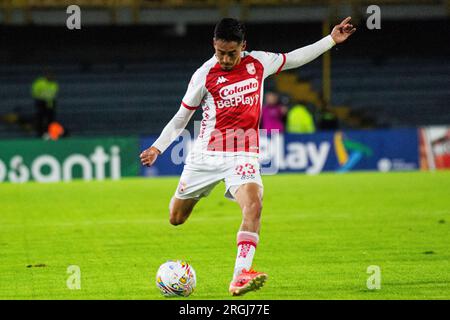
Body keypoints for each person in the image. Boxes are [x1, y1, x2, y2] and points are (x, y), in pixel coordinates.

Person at [140, 17, 355, 296]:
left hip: (243, 152)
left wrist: (330, 40)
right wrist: (158, 147)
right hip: (206, 154)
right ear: (214, 46)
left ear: (244, 46)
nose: (226, 59)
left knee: (253, 206)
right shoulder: (204, 74)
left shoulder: (259, 63)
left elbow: (294, 58)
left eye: (231, 53)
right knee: (176, 218)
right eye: (220, 53)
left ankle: (240, 276)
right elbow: (182, 117)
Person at [31, 71, 59, 137]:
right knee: (40, 119)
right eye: (49, 75)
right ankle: (40, 134)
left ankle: (51, 134)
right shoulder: (39, 82)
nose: (51, 77)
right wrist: (42, 98)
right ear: (46, 75)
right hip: (41, 102)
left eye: (52, 76)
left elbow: (54, 93)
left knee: (51, 120)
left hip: (50, 103)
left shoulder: (54, 84)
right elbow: (34, 92)